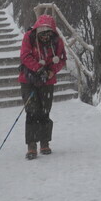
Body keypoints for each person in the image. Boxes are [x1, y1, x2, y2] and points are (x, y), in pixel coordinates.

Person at [18, 14, 67, 159]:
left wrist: (52, 71)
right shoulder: (29, 37)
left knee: (45, 111)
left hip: (47, 81)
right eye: (42, 34)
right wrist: (39, 69)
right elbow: (25, 56)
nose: (45, 37)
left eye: (48, 34)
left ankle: (44, 143)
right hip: (29, 79)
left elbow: (62, 59)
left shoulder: (57, 41)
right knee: (32, 111)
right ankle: (32, 145)